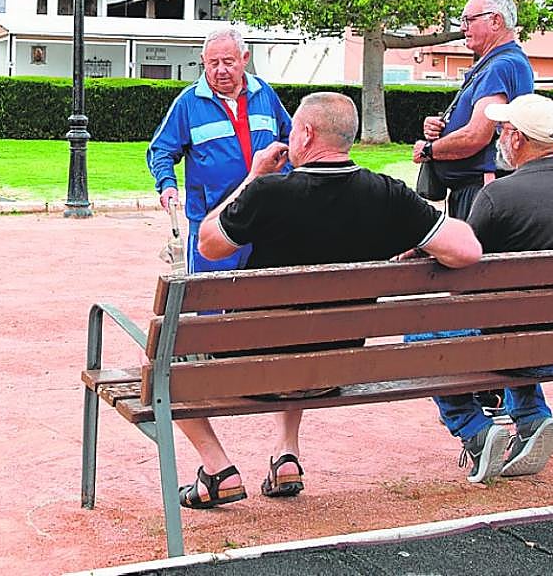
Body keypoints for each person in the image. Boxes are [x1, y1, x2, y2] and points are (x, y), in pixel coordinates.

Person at [174, 92, 482, 509]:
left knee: (169, 356)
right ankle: (287, 455)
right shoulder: (387, 195)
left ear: (304, 133)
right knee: (304, 333)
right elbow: (466, 250)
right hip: (333, 364)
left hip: (252, 370)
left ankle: (217, 469)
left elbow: (209, 244)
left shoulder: (267, 192)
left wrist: (253, 175)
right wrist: (422, 245)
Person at [429, 94, 553, 485]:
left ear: (517, 139)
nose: (499, 139)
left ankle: (475, 430)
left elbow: (458, 271)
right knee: (519, 322)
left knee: (423, 332)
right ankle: (531, 417)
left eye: (502, 131)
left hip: (515, 346)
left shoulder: (497, 196)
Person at [147, 27, 293, 273]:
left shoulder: (265, 93)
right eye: (212, 63)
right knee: (210, 300)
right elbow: (161, 149)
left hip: (264, 214)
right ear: (203, 62)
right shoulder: (188, 102)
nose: (220, 70)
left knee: (263, 297)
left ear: (244, 59)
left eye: (228, 62)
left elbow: (292, 139)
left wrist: (285, 173)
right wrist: (167, 183)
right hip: (212, 222)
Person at [413, 0, 534, 219]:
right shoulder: (502, 63)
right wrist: (442, 127)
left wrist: (428, 150)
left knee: (468, 254)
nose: (463, 28)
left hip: (481, 190)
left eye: (468, 20)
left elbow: (476, 136)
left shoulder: (501, 65)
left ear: (495, 20)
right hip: (479, 189)